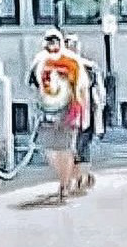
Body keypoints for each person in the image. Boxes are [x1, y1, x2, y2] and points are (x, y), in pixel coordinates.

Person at [28, 29, 87, 202]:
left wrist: (79, 113)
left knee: (65, 149)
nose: (52, 45)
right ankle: (74, 174)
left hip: (68, 110)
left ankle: (64, 185)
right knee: (50, 151)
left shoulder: (72, 61)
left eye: (55, 41)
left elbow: (81, 89)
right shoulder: (39, 61)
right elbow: (33, 86)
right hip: (47, 112)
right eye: (49, 41)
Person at [64, 34, 103, 193]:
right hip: (69, 113)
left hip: (84, 113)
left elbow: (98, 93)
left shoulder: (88, 67)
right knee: (72, 147)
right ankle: (75, 178)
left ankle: (81, 177)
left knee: (81, 145)